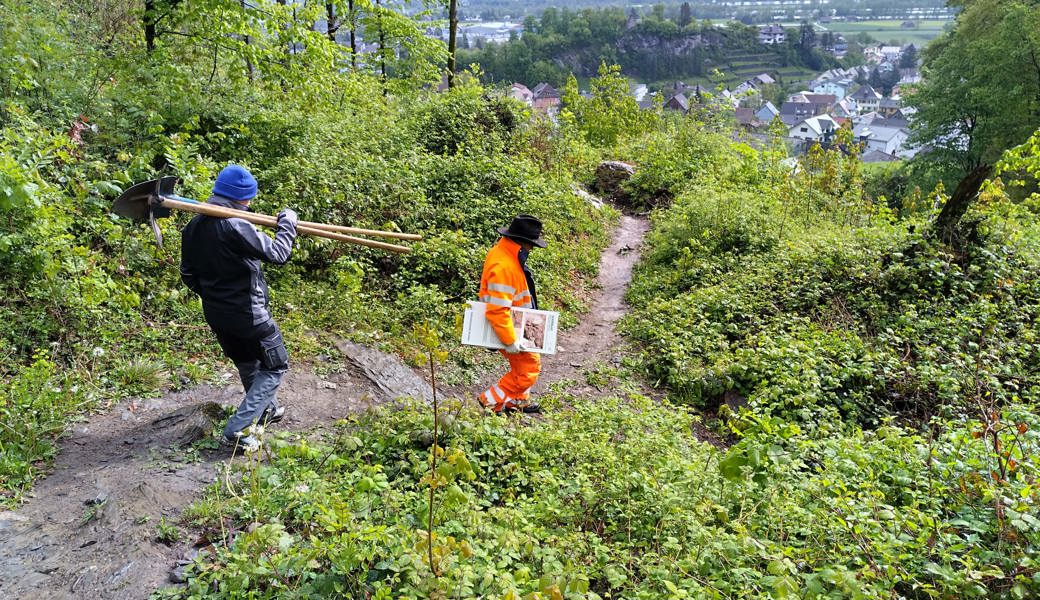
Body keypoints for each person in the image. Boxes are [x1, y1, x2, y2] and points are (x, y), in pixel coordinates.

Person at [180, 164, 299, 452]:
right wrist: (288, 223)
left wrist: (214, 295)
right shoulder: (236, 225)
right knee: (275, 365)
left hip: (217, 315)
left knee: (249, 363)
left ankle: (265, 411)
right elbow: (278, 253)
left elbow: (187, 274)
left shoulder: (193, 226)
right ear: (243, 198)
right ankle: (240, 428)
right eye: (249, 198)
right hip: (249, 314)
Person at [477, 214, 547, 414]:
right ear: (522, 242)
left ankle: (517, 401)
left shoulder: (505, 254)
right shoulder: (504, 266)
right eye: (531, 245)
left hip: (518, 322)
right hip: (510, 327)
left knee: (524, 365)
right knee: (528, 369)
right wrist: (509, 340)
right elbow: (497, 309)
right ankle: (489, 402)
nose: (531, 249)